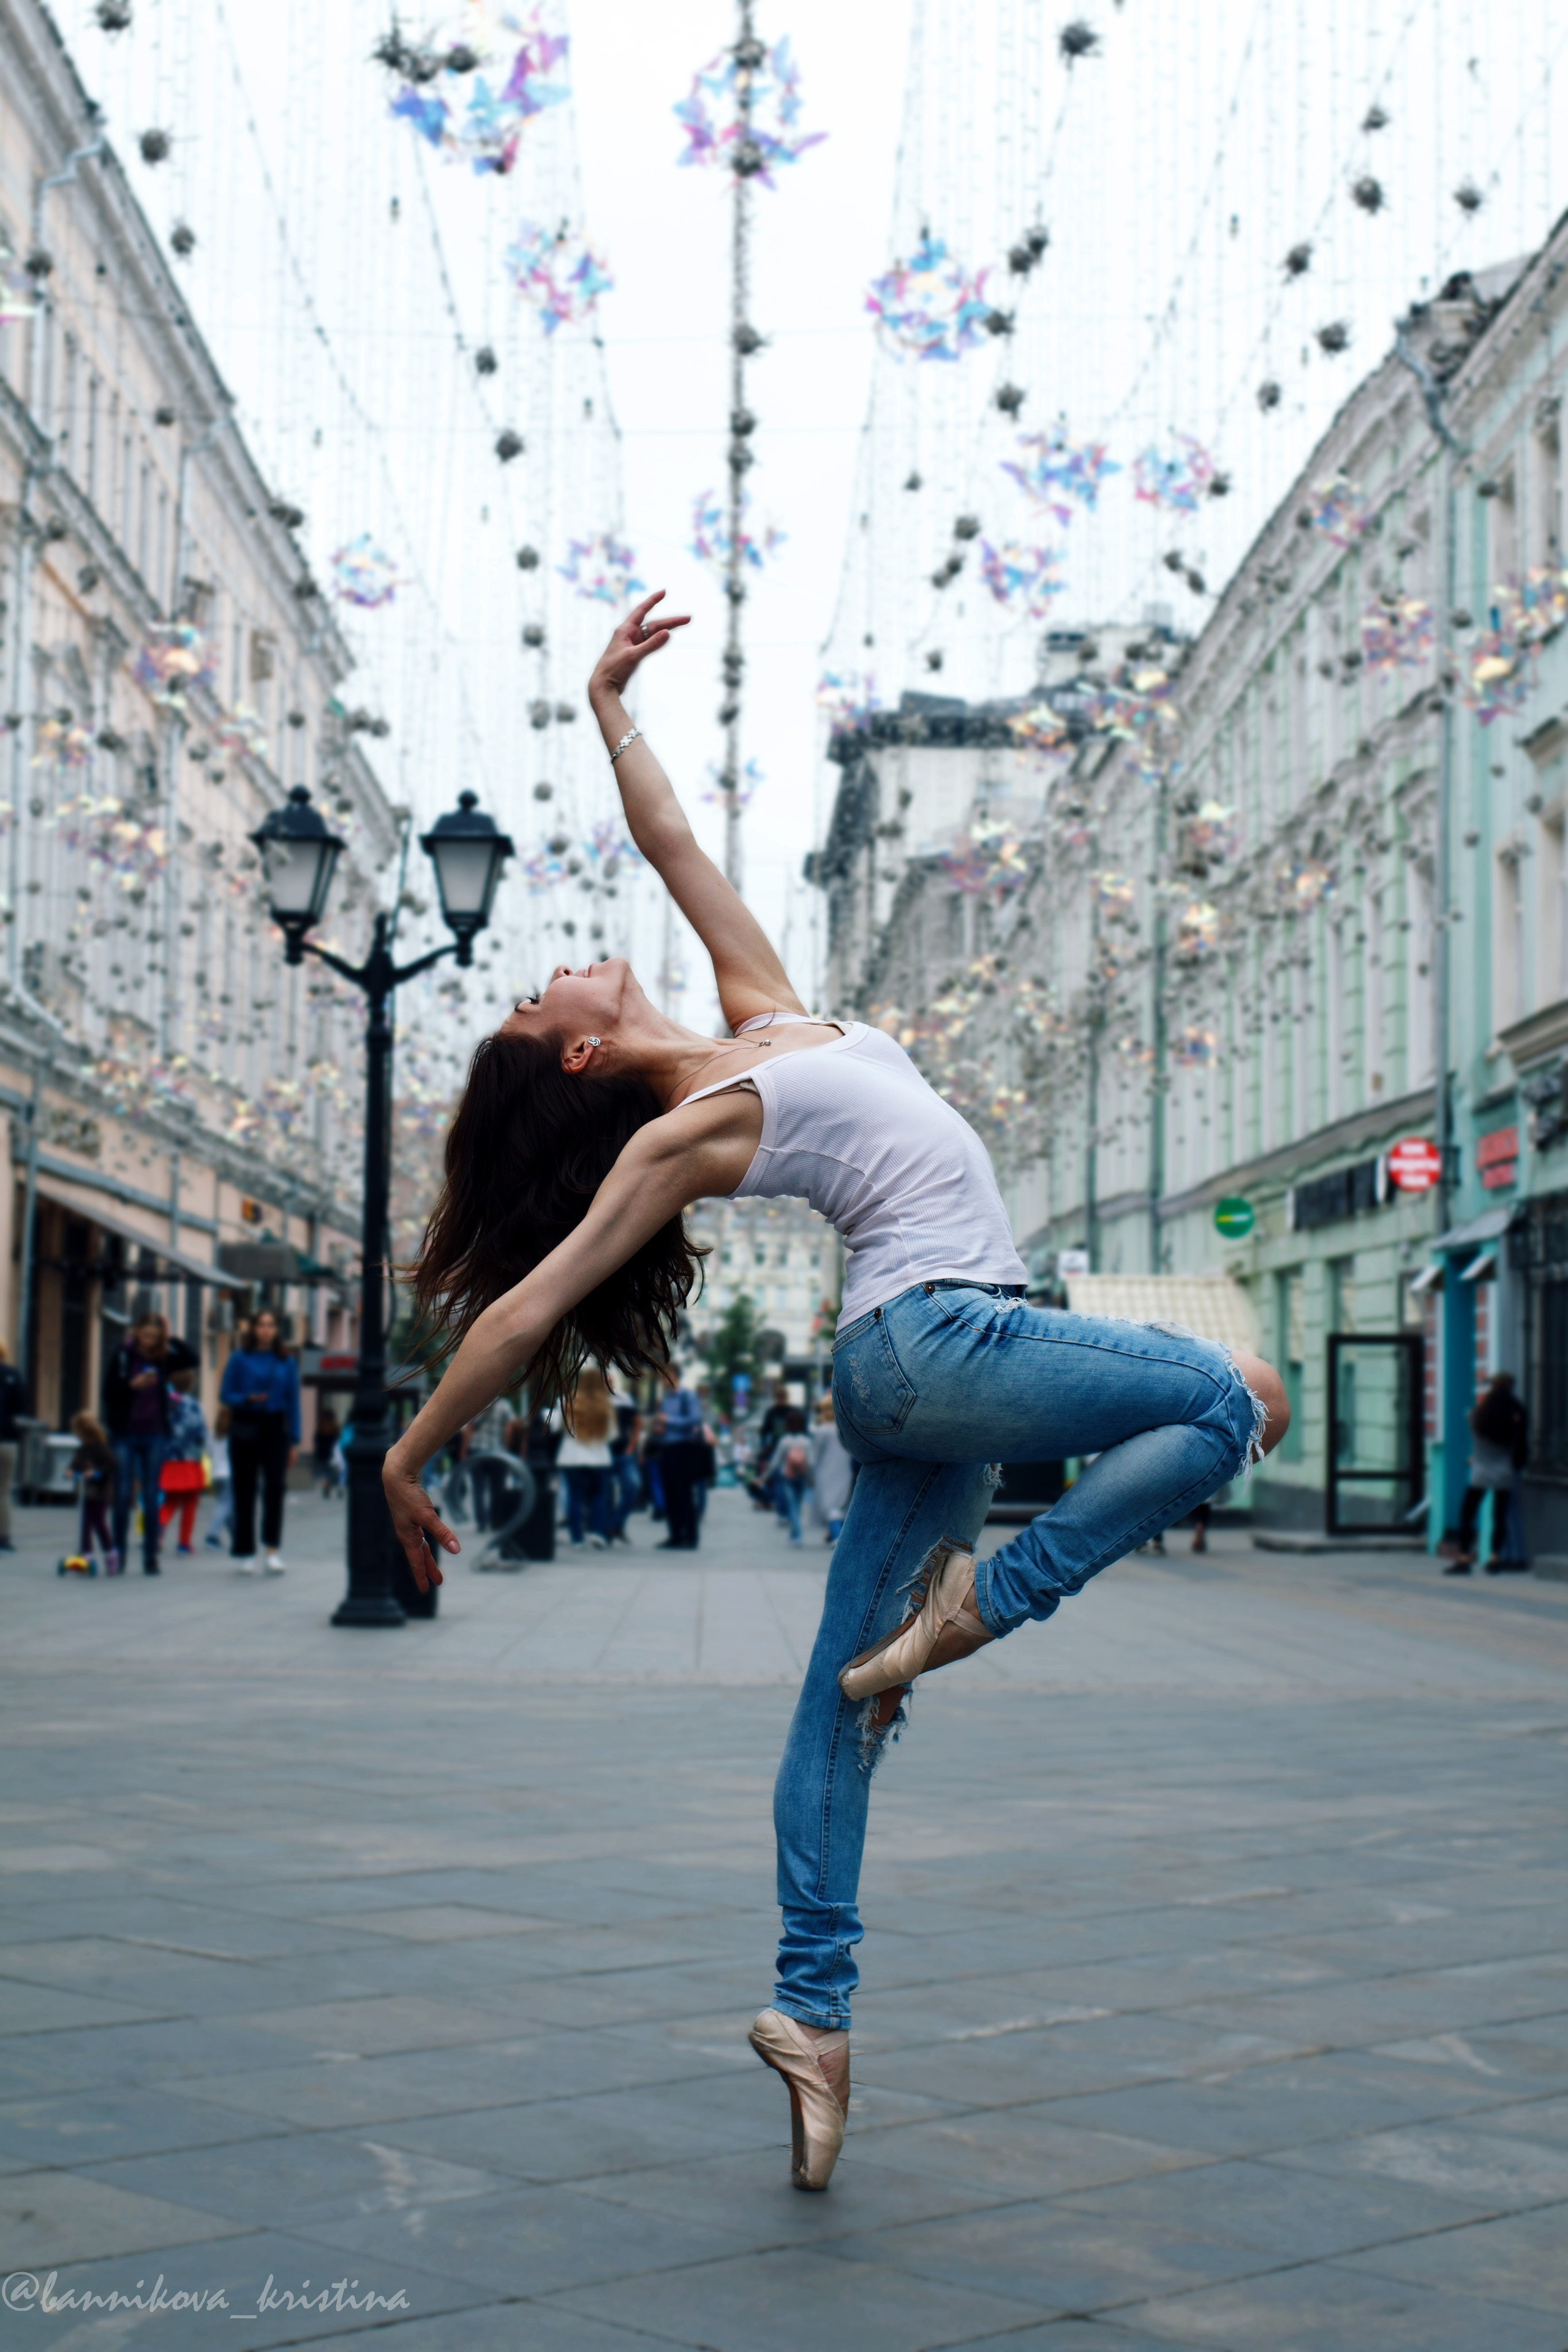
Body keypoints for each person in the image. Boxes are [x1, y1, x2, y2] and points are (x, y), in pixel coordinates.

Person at [379, 592, 1290, 2193]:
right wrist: (407, 1458)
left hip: (922, 1364)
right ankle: (994, 1601)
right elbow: (527, 1309)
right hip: (941, 1342)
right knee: (1229, 1398)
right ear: (579, 1062)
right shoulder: (687, 1130)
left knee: (846, 1703)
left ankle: (814, 2018)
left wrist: (611, 709)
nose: (560, 967)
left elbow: (672, 847)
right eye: (542, 998)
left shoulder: (762, 1015)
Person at [104, 1310, 198, 1575]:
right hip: (125, 1433)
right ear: (137, 1332)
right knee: (122, 1495)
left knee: (151, 1495)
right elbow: (108, 1392)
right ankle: (118, 1555)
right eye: (145, 1335)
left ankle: (150, 1557)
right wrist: (132, 1385)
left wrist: (171, 1339)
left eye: (155, 1337)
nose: (149, 1341)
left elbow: (193, 1358)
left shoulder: (163, 1357)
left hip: (155, 1433)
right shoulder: (123, 1354)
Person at [219, 1310, 300, 1575]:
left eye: (271, 1325)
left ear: (277, 1329)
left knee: (275, 1489)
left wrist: (295, 1440)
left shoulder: (286, 1362)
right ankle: (245, 1551)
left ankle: (272, 1550)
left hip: (275, 1428)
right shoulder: (239, 1358)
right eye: (261, 1325)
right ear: (253, 1329)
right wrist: (246, 1398)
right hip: (245, 1426)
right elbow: (225, 1394)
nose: (266, 1330)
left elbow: (294, 1403)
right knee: (244, 1490)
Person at [1446, 1371, 1529, 1575]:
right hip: (1505, 1472)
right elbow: (1520, 1442)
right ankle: (1495, 1558)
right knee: (1499, 1517)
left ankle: (1465, 1558)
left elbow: (1478, 1442)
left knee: (1468, 1514)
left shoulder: (1476, 1416)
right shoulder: (1516, 1417)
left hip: (1480, 1472)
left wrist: (1474, 1458)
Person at [557, 1366, 616, 1549]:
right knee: (599, 1496)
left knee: (575, 1497)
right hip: (599, 1458)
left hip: (572, 1457)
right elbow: (613, 1434)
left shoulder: (567, 1401)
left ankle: (577, 1538)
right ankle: (596, 1532)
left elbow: (558, 1428)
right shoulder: (606, 1404)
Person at [654, 1377, 710, 1551]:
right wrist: (660, 1427)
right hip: (667, 1448)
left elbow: (695, 1419)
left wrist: (668, 1421)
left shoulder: (688, 1397)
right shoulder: (665, 1399)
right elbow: (662, 1421)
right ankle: (675, 1535)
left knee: (684, 1494)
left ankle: (691, 1536)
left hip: (684, 1448)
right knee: (669, 1493)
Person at [157, 1371, 209, 1554]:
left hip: (168, 1460)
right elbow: (200, 1433)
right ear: (190, 1384)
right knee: (190, 1503)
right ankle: (184, 1542)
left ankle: (159, 1525)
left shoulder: (165, 1403)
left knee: (170, 1501)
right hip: (189, 1461)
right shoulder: (193, 1405)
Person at [69, 1410, 118, 1575]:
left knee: (99, 1523)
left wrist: (97, 1472)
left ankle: (110, 1553)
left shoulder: (100, 1448)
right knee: (86, 1523)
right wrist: (71, 1470)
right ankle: (86, 1553)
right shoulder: (83, 1449)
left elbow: (113, 1465)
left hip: (101, 1492)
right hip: (88, 1493)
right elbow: (76, 1463)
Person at [809, 1392, 854, 1544]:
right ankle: (836, 1535)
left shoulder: (822, 1431)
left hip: (826, 1472)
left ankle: (837, 1537)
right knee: (841, 1505)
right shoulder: (845, 1429)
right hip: (845, 1470)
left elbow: (814, 1457)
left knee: (830, 1506)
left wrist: (810, 1475)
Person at [763, 1408, 812, 1547]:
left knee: (792, 1506)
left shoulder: (785, 1441)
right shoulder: (806, 1442)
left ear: (788, 1425)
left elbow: (775, 1462)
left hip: (788, 1477)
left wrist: (765, 1477)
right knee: (797, 1505)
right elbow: (812, 1462)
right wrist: (811, 1478)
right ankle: (795, 1534)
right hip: (802, 1477)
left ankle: (796, 1535)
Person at [0, 1338, 28, 1553]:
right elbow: (21, 1407)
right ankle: (4, 1537)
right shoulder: (13, 1375)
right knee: (3, 1491)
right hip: (8, 1440)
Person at [204, 1408, 233, 1551]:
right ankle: (212, 1535)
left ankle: (237, 1536)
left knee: (227, 1507)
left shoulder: (212, 1435)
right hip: (230, 1474)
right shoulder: (233, 1435)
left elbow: (208, 1453)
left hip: (216, 1475)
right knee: (225, 1505)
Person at [313, 1405, 342, 1496]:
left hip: (321, 1455)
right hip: (331, 1455)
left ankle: (325, 1484)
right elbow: (338, 1441)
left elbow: (316, 1441)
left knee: (322, 1474)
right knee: (331, 1473)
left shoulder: (320, 1429)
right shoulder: (335, 1429)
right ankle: (331, 1485)